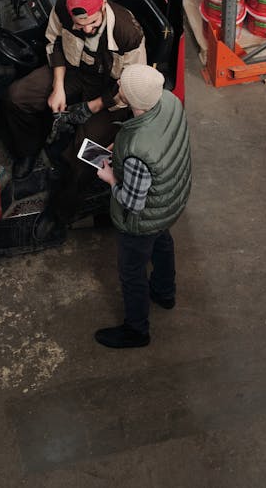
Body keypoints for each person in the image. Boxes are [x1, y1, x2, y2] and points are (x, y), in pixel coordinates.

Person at [1, 0, 146, 235]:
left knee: (86, 153)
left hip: (113, 92)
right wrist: (57, 86)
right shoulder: (62, 7)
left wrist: (92, 107)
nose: (87, 29)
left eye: (92, 22)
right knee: (17, 96)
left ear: (103, 6)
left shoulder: (128, 33)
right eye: (80, 25)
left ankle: (61, 213)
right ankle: (28, 151)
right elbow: (54, 42)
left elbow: (130, 86)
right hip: (75, 71)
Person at [94, 63, 191, 349]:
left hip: (142, 219)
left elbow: (132, 203)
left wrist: (111, 178)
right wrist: (122, 146)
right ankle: (164, 293)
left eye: (122, 85)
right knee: (162, 242)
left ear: (131, 98)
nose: (119, 87)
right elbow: (156, 139)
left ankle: (136, 331)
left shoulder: (138, 148)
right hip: (169, 201)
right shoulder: (170, 101)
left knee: (132, 272)